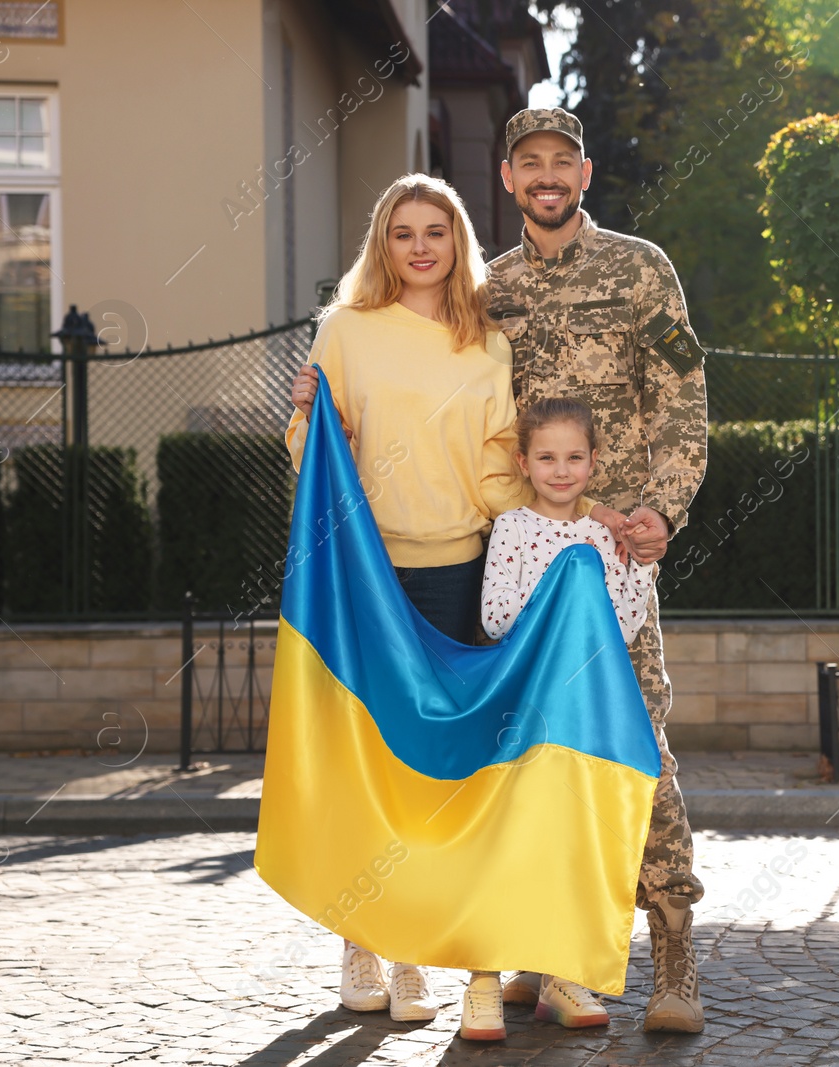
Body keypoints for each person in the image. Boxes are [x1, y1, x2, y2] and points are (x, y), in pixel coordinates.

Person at [485, 107, 710, 1033]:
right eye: (529, 162)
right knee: (530, 760)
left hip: (617, 558)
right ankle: (542, 950)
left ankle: (674, 962)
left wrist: (664, 504)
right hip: (526, 562)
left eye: (561, 161)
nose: (546, 175)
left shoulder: (640, 269)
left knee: (636, 748)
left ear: (585, 173)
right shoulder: (484, 288)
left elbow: (684, 395)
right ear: (508, 179)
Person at [285, 173, 527, 1025]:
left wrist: (559, 528)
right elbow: (311, 446)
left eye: (436, 231)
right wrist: (310, 420)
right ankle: (362, 938)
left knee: (439, 760)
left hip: (459, 567)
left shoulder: (487, 341)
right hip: (365, 568)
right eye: (402, 232)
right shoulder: (345, 331)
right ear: (382, 245)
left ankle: (416, 948)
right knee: (368, 750)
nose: (420, 246)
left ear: (457, 241)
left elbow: (501, 462)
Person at [460, 397, 654, 1039]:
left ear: (594, 462)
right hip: (523, 710)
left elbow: (623, 625)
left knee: (569, 834)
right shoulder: (513, 529)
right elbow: (495, 616)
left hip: (581, 717)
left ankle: (562, 976)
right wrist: (562, 595)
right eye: (547, 457)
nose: (561, 469)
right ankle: (484, 979)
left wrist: (640, 568)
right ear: (524, 462)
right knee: (507, 832)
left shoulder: (607, 535)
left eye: (575, 457)